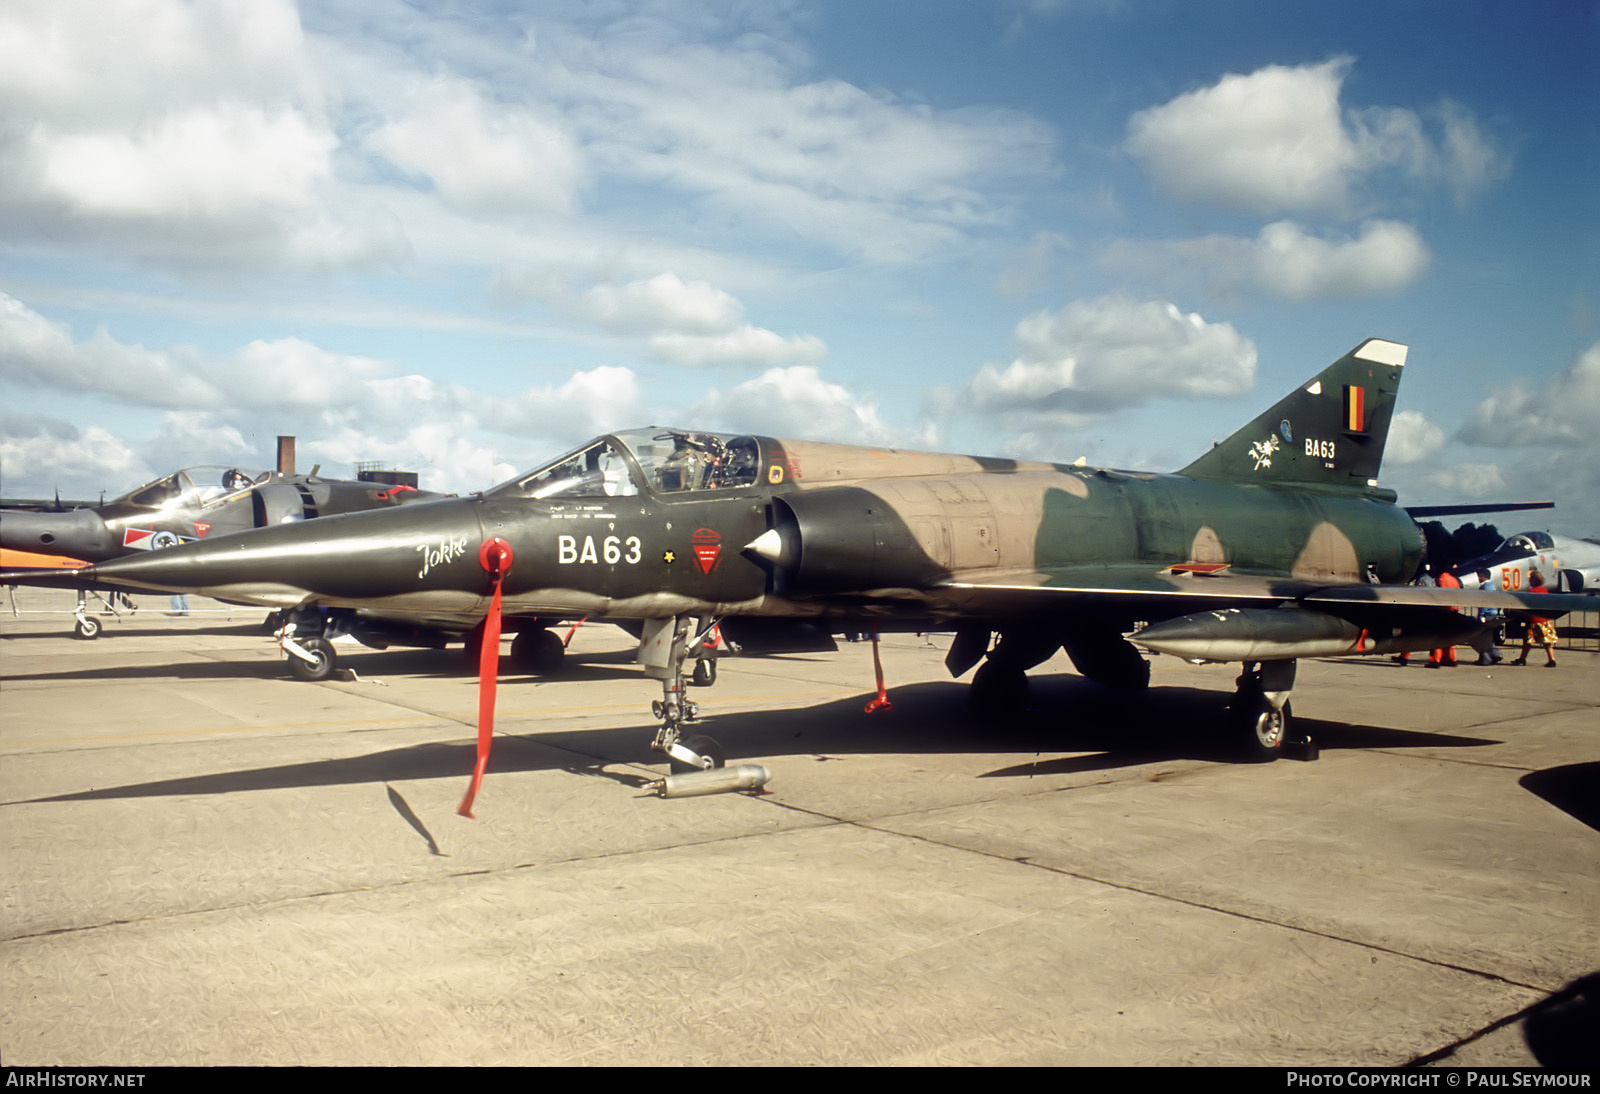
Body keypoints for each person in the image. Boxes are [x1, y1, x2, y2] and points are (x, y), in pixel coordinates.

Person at [1510, 571, 1558, 667]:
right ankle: (1551, 659)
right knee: (1547, 642)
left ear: (1532, 581)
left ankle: (1522, 659)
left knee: (1528, 642)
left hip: (1534, 620)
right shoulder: (1544, 590)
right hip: (1544, 620)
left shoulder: (1531, 593)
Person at [1427, 570, 1462, 667]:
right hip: (1453, 611)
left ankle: (1435, 660)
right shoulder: (1454, 579)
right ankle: (1451, 659)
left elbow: (1440, 595)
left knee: (1437, 637)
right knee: (1450, 637)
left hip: (1442, 611)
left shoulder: (1440, 579)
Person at [1470, 569, 1503, 666]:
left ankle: (1485, 659)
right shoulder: (1491, 586)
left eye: (1479, 576)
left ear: (1483, 575)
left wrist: (1480, 616)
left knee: (1483, 637)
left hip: (1487, 615)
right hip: (1493, 614)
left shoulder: (1485, 588)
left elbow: (1484, 603)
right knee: (1488, 636)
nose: (1478, 579)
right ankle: (1495, 654)